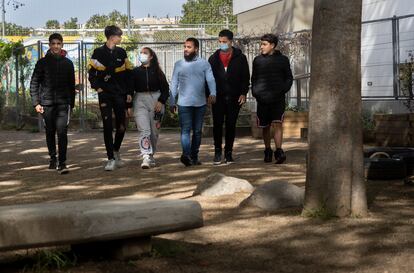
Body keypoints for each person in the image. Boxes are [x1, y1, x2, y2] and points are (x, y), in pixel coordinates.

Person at [88, 25, 133, 171]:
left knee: (121, 126)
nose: (121, 38)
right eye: (119, 36)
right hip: (105, 96)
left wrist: (128, 93)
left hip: (120, 95)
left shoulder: (121, 52)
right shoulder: (98, 52)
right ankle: (110, 159)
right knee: (107, 127)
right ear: (112, 37)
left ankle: (115, 150)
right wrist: (98, 88)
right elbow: (91, 74)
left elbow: (128, 75)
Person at [30, 33, 76, 174]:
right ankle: (52, 159)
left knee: (62, 132)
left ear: (62, 45)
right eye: (53, 43)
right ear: (49, 45)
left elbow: (71, 85)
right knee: (50, 132)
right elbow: (34, 83)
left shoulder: (68, 64)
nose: (56, 46)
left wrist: (71, 104)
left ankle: (62, 163)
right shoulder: (42, 63)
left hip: (63, 104)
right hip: (47, 104)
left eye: (58, 43)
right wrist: (36, 102)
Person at [170, 37, 217, 167]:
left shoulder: (204, 64)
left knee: (197, 131)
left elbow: (211, 80)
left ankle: (194, 156)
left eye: (189, 47)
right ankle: (186, 155)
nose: (186, 49)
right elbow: (174, 83)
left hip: (200, 103)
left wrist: (213, 93)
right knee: (185, 130)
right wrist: (172, 101)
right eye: (185, 46)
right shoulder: (178, 64)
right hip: (183, 104)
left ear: (196, 49)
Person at [208, 29, 250, 165]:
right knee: (217, 125)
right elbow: (208, 79)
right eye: (220, 42)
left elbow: (245, 77)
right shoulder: (213, 58)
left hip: (234, 97)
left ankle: (229, 152)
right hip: (217, 98)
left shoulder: (240, 58)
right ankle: (217, 152)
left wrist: (243, 93)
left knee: (231, 125)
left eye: (224, 42)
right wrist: (209, 94)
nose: (222, 44)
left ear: (231, 42)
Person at [251, 34, 293, 164]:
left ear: (272, 45)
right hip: (262, 99)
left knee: (277, 124)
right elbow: (254, 78)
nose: (261, 47)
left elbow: (289, 77)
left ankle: (279, 151)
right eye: (261, 44)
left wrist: (282, 89)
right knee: (265, 126)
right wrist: (256, 91)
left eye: (264, 44)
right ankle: (267, 150)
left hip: (277, 98)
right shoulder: (257, 60)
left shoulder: (283, 60)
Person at [129, 47, 169, 169]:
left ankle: (151, 155)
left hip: (155, 100)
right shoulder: (135, 72)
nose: (142, 55)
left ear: (151, 56)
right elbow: (130, 90)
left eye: (145, 53)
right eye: (141, 53)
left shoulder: (157, 71)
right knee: (144, 130)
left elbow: (166, 89)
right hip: (140, 100)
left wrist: (161, 101)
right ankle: (145, 156)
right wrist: (129, 106)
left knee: (154, 131)